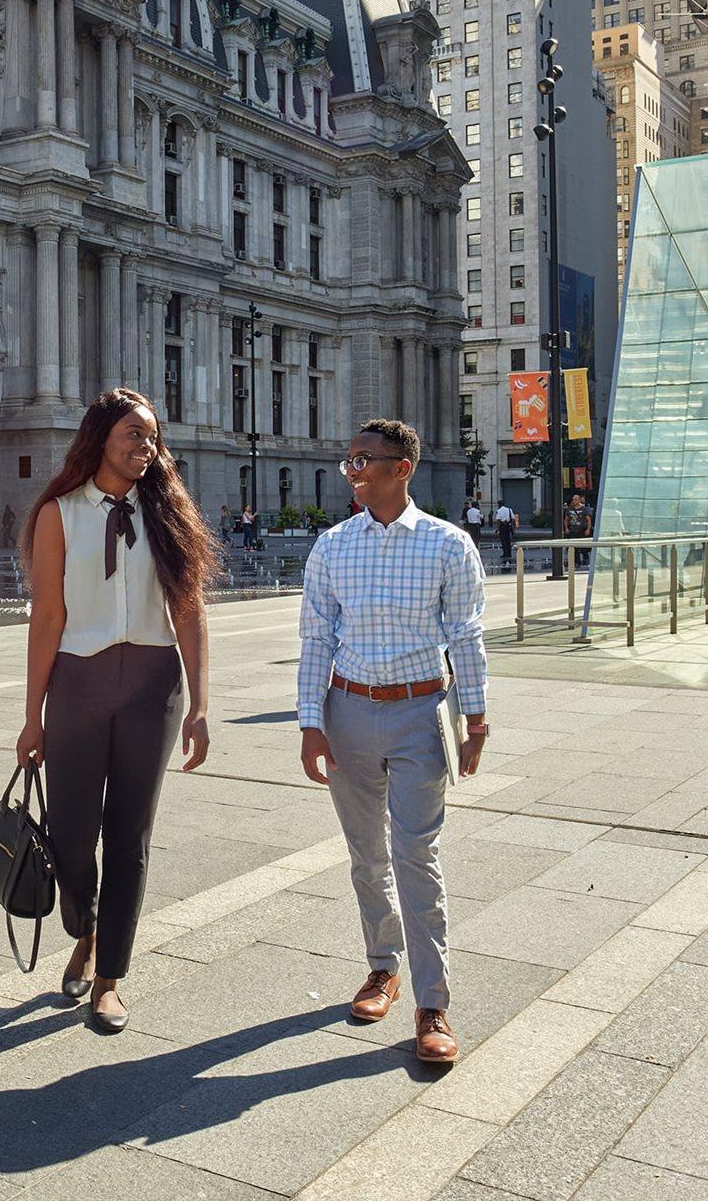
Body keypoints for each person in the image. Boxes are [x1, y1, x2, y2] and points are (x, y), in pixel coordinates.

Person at [16, 388, 217, 1034]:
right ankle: (86, 927)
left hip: (152, 688)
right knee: (71, 837)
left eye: (152, 437)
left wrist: (201, 704)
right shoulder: (59, 514)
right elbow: (46, 616)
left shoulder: (168, 512)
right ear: (100, 436)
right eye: (134, 434)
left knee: (128, 837)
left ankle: (109, 977)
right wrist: (31, 716)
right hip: (76, 683)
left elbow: (188, 610)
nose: (146, 447)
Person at [297, 418, 490, 1066]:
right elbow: (316, 638)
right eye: (349, 459)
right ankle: (383, 967)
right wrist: (309, 722)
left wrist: (476, 718)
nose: (351, 471)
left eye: (363, 460)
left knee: (415, 854)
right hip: (348, 710)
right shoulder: (331, 547)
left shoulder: (447, 545)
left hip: (420, 714)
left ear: (401, 468)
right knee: (365, 854)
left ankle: (433, 1004)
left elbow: (466, 636)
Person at [563, 493, 594, 569]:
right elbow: (566, 519)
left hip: (582, 530)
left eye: (576, 499)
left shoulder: (584, 509)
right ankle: (577, 562)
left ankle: (585, 558)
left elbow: (588, 520)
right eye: (573, 499)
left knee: (584, 546)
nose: (574, 501)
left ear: (579, 500)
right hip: (573, 530)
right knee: (574, 547)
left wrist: (588, 529)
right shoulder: (570, 509)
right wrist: (566, 528)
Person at [493, 502, 517, 571]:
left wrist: (498, 529)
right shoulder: (509, 509)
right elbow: (513, 518)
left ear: (499, 505)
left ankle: (505, 553)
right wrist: (513, 527)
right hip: (508, 527)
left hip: (502, 527)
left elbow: (498, 520)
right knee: (508, 540)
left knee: (503, 540)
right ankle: (509, 553)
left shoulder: (499, 511)